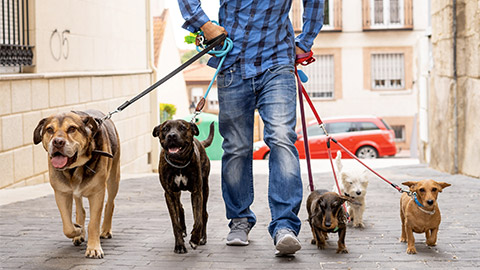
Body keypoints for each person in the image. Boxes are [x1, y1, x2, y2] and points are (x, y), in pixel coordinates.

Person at [178, 0, 324, 256]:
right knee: (236, 147)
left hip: (277, 63)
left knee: (281, 138)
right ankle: (239, 220)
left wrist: (306, 40)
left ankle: (285, 226)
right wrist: (204, 24)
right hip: (233, 63)